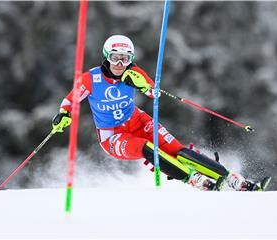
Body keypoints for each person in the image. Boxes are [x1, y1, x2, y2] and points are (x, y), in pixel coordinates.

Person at [52, 35, 264, 191]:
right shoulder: (91, 78)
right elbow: (71, 100)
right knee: (147, 148)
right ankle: (193, 179)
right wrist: (63, 114)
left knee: (177, 150)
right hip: (113, 136)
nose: (119, 64)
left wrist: (143, 85)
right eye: (115, 57)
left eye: (125, 59)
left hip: (138, 120)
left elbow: (155, 94)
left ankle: (233, 179)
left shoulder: (133, 72)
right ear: (106, 57)